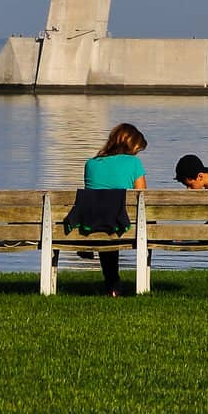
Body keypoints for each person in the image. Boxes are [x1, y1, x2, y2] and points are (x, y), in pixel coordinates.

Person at [84, 122, 147, 296]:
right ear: (130, 145)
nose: (136, 153)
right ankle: (122, 284)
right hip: (127, 223)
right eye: (136, 149)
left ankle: (112, 283)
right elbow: (142, 198)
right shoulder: (134, 163)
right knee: (123, 219)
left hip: (95, 224)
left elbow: (92, 198)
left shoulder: (91, 164)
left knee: (106, 221)